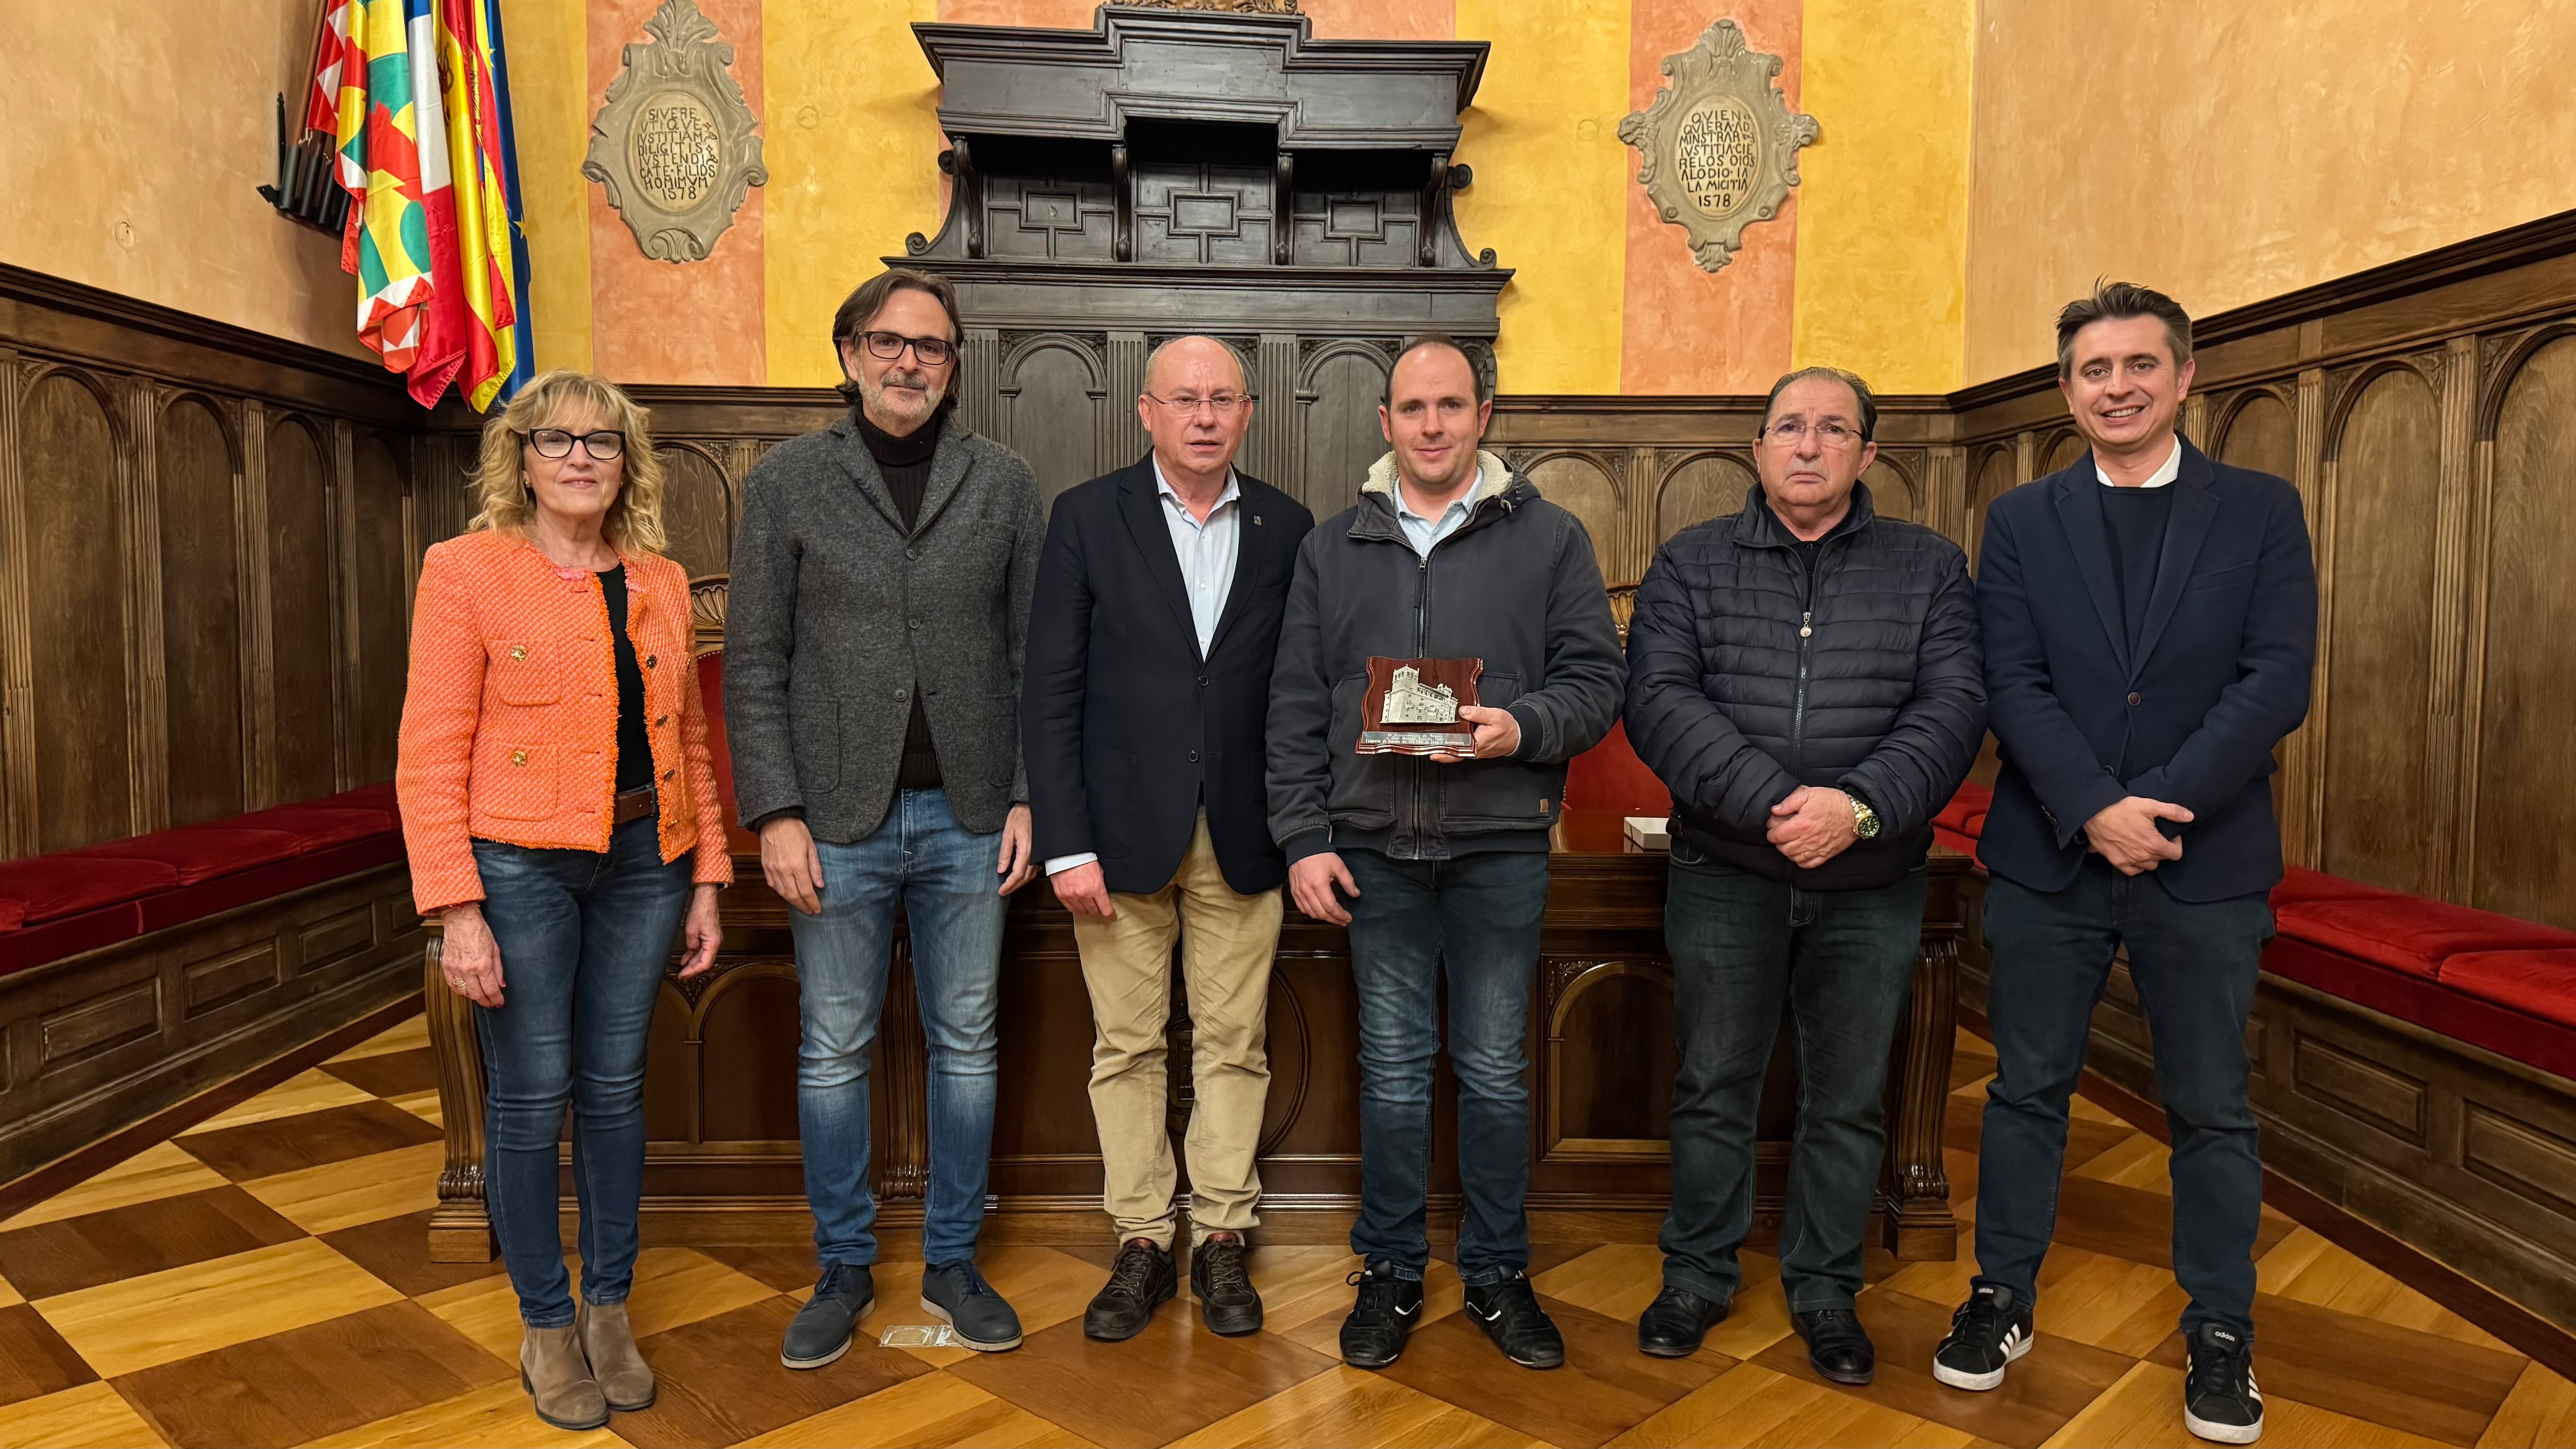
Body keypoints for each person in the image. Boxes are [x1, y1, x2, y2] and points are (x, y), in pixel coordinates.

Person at [1933, 282, 2315, 1446]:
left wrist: (2162, 809)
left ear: (2183, 377)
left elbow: (2274, 681)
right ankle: (2002, 1298)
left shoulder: (2258, 510)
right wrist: (2096, 808)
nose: (2117, 388)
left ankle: (2219, 1331)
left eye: (2139, 366)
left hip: (2204, 863)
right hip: (2052, 857)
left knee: (2208, 1109)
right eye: (2093, 371)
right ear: (2066, 390)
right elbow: (2010, 680)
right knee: (2025, 1091)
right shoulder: (2021, 519)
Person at [1268, 335, 1625, 1371]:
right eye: (1413, 408)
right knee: (1389, 1075)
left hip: (1497, 849)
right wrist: (1301, 836)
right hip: (1373, 852)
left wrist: (1524, 725)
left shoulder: (1550, 538)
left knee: (1496, 1075)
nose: (1432, 425)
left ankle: (1497, 1271)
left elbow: (1598, 683)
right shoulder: (1334, 547)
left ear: (1481, 417)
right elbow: (1294, 703)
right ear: (1384, 423)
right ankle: (1387, 1269)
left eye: (1451, 406)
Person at [1622, 368, 1986, 1383]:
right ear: (1758, 448)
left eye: (1834, 430)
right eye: (1790, 427)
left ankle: (1826, 1290)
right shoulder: (1690, 563)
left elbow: (1953, 708)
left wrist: (1857, 809)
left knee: (1847, 1098)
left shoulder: (1928, 569)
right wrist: (1778, 806)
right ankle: (1694, 1274)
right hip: (1725, 871)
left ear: (1869, 455)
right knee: (1711, 1083)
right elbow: (1659, 699)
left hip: (1871, 882)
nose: (1810, 446)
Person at [397, 370, 731, 1432]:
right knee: (533, 1096)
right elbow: (430, 751)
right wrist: (457, 909)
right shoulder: (465, 571)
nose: (580, 456)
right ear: (521, 458)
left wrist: (709, 875)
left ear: (628, 462)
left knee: (618, 1089)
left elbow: (691, 744)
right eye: (558, 439)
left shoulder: (665, 582)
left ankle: (609, 1309)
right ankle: (545, 1327)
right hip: (519, 870)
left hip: (647, 861)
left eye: (603, 440)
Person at [725, 267, 1044, 1363]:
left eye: (932, 347)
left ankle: (953, 1260)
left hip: (969, 815)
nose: (910, 361)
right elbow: (755, 662)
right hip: (833, 819)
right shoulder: (785, 484)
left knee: (967, 1043)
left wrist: (1024, 796)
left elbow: (1030, 658)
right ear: (850, 351)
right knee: (831, 1050)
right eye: (889, 341)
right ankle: (844, 1264)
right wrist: (773, 811)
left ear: (953, 366)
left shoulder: (1002, 482)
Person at [1023, 335, 1316, 1340]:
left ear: (1247, 413)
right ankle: (1143, 1237)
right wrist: (1065, 842)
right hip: (1114, 839)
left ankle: (1225, 1237)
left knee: (1237, 1043)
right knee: (1127, 1045)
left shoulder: (1288, 526)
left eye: (1221, 400)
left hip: (1246, 833)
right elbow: (1048, 692)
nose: (1203, 417)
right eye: (1183, 400)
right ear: (1144, 412)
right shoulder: (1084, 519)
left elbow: (1301, 691)